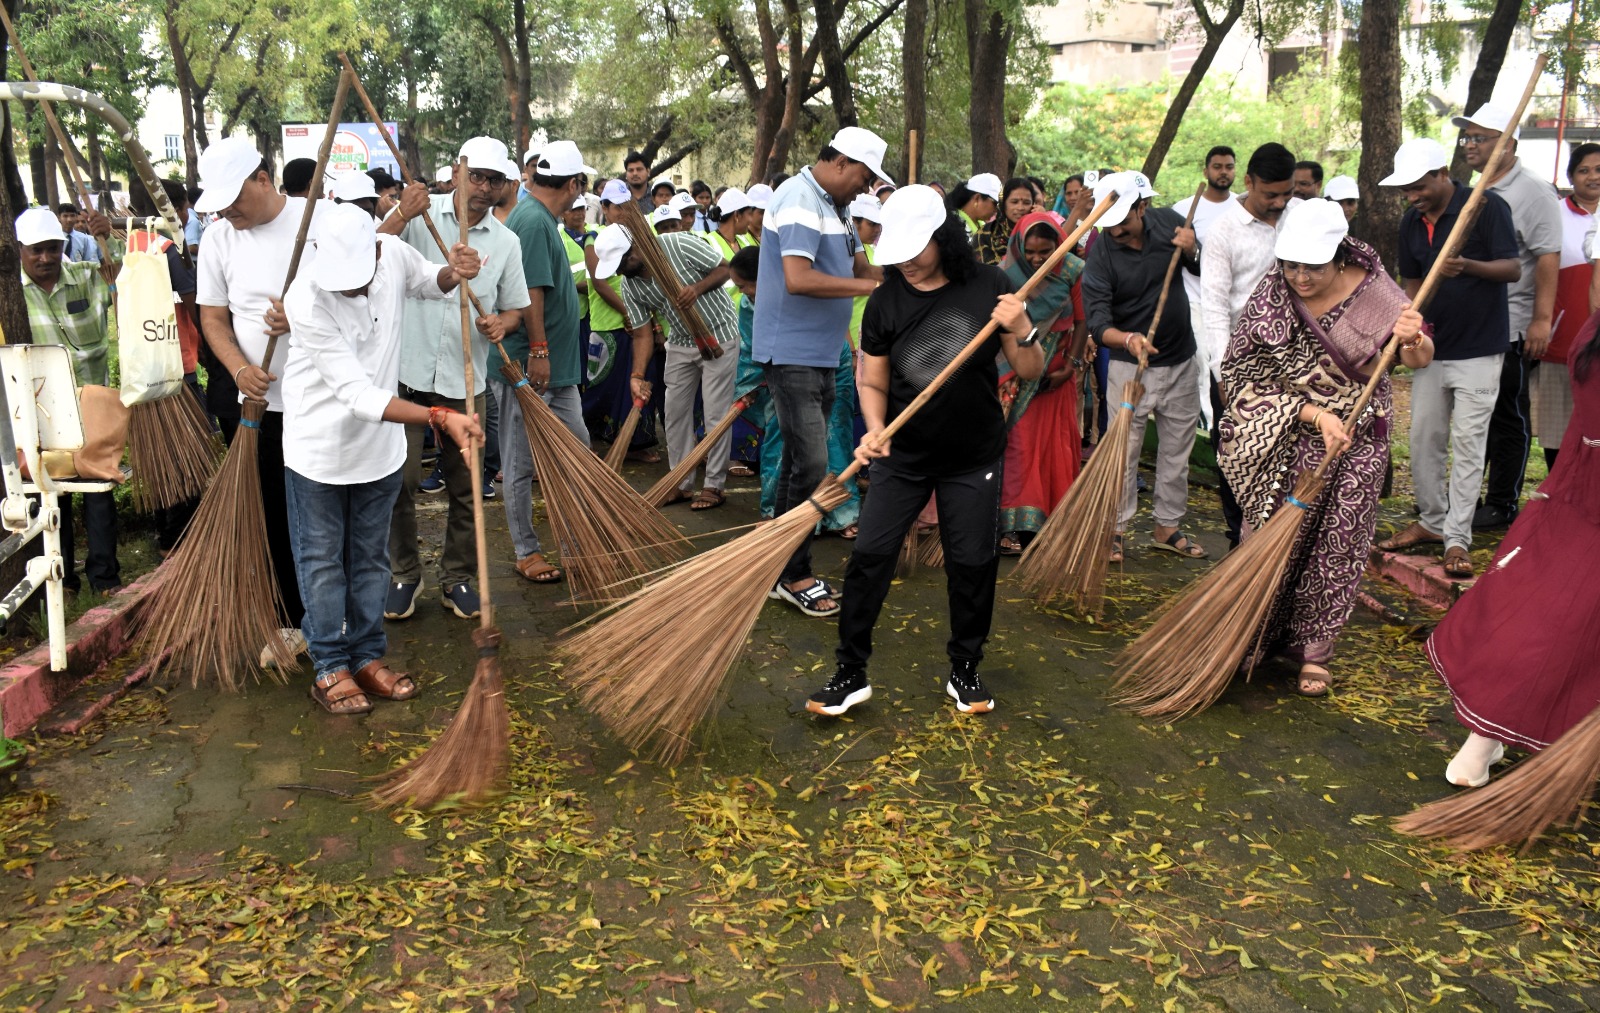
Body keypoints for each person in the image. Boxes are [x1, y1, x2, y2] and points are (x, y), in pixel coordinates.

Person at [805, 185, 1040, 717]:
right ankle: (850, 670)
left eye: (916, 249)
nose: (906, 262)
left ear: (943, 238)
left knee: (974, 563)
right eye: (898, 250)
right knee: (868, 557)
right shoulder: (886, 300)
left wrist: (1023, 329)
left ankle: (965, 668)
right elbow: (873, 382)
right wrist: (873, 429)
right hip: (903, 457)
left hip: (973, 456)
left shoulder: (989, 286)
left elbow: (1030, 372)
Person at [282, 203, 486, 714]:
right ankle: (330, 666)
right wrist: (439, 417)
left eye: (357, 279)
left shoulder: (392, 252)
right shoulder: (305, 296)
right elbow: (357, 395)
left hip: (380, 452)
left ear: (376, 249)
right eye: (341, 282)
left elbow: (427, 282)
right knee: (323, 562)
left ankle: (368, 655)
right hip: (319, 452)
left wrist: (452, 270)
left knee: (371, 559)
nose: (349, 290)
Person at [1219, 199, 1430, 696]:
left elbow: (1418, 359)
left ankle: (1315, 651)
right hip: (1290, 435)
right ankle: (1252, 637)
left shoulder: (1378, 293)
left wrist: (1412, 337)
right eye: (1290, 265)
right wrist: (1313, 413)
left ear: (1338, 256)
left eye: (1311, 267)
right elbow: (1243, 378)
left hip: (1358, 439)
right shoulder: (1272, 295)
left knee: (1338, 542)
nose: (1300, 277)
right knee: (1271, 536)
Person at [1424, 307, 1600, 787]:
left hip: (1574, 492)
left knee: (1535, 605)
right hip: (1587, 507)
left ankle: (1486, 741)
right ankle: (1482, 744)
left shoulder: (1592, 330)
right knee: (1565, 629)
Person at [378, 138, 529, 614]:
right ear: (457, 174)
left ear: (506, 186)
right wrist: (401, 213)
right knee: (396, 481)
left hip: (468, 384)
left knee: (466, 485)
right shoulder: (419, 216)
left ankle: (458, 575)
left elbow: (516, 310)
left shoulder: (506, 243)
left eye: (495, 180)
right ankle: (404, 573)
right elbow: (368, 253)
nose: (484, 188)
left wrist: (500, 324)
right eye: (477, 176)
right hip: (407, 375)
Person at [753, 126, 891, 617]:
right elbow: (799, 278)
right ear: (839, 162)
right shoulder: (797, 198)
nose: (865, 186)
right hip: (790, 353)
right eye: (863, 175)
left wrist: (903, 277)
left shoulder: (837, 207)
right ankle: (794, 574)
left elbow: (861, 268)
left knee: (799, 463)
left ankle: (779, 564)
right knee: (812, 466)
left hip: (823, 352)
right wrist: (869, 291)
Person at [194, 138, 319, 660]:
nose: (227, 211)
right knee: (271, 510)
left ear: (263, 179)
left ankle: (333, 612)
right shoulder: (219, 239)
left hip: (319, 399)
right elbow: (213, 319)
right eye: (219, 203)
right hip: (261, 408)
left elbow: (356, 297)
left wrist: (304, 317)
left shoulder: (317, 225)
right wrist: (239, 368)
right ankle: (290, 619)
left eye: (233, 199)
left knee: (321, 512)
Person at [1375, 138, 1520, 578]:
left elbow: (1512, 268)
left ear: (1441, 174)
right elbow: (1412, 282)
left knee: (1470, 443)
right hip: (1431, 349)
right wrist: (1406, 332)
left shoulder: (1486, 206)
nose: (1411, 196)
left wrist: (1468, 266)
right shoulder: (1411, 222)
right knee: (1423, 439)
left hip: (1480, 347)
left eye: (1418, 187)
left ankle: (1458, 538)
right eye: (1405, 191)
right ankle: (1434, 521)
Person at [1081, 170, 1205, 563]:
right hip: (1128, 367)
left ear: (1143, 206)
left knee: (1177, 450)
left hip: (1181, 357)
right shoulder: (1100, 254)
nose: (1115, 230)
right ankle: (1115, 528)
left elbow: (1200, 270)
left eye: (1123, 220)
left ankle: (1167, 527)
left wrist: (1192, 250)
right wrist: (1130, 340)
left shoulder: (1170, 223)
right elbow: (1098, 322)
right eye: (1109, 223)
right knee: (1123, 450)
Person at [1452, 102, 1564, 531]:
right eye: (1468, 138)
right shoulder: (1477, 188)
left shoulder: (1533, 190)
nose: (1471, 145)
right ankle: (1466, 497)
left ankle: (1502, 501)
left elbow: (1547, 257)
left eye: (1481, 138)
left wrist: (1540, 320)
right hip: (1477, 322)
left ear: (1509, 144)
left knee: (1507, 415)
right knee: (1474, 414)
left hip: (1514, 323)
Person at [499, 139, 599, 584]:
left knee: (578, 450)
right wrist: (538, 352)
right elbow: (532, 292)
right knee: (520, 462)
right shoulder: (534, 222)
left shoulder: (539, 218)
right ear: (574, 184)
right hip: (531, 367)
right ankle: (526, 551)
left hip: (555, 369)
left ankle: (580, 539)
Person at [595, 220, 738, 509]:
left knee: (715, 414)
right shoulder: (630, 285)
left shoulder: (677, 244)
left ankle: (714, 486)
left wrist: (696, 289)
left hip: (719, 334)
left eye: (622, 263)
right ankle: (680, 482)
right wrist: (636, 374)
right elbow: (643, 332)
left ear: (634, 249)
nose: (621, 271)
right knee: (673, 413)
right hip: (681, 340)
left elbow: (726, 268)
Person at [16, 205, 122, 595]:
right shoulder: (11, 293)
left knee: (98, 489)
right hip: (39, 411)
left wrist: (107, 238)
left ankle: (105, 577)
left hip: (92, 405)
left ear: (63, 245)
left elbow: (131, 274)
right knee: (51, 493)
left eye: (52, 248)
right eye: (35, 251)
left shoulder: (84, 279)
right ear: (21, 251)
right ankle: (63, 581)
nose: (45, 258)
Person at [1200, 142, 1299, 549]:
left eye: (1286, 194)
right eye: (1269, 194)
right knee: (1237, 455)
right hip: (1241, 362)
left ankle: (1282, 539)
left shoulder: (1299, 219)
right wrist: (1226, 373)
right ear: (1248, 182)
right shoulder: (1223, 231)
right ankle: (1239, 541)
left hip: (1295, 362)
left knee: (1289, 452)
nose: (1278, 203)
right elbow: (1214, 307)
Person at [996, 211, 1086, 555]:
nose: (1036, 259)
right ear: (1019, 246)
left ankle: (1048, 522)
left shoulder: (1073, 271)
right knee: (1018, 447)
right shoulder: (1006, 275)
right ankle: (1012, 526)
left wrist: (1071, 366)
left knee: (1052, 448)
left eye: (1045, 252)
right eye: (1030, 252)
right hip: (1015, 374)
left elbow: (1081, 322)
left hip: (1057, 374)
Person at [1539, 142, 1600, 470]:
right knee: (1557, 428)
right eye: (1584, 170)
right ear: (1571, 177)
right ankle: (1557, 494)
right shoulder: (1556, 215)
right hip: (1565, 342)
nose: (1593, 177)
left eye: (1599, 169)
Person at [1171, 145, 1239, 424]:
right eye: (1218, 167)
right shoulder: (1185, 209)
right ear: (1206, 171)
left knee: (1231, 361)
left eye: (1229, 167)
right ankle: (1210, 423)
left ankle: (1234, 420)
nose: (1223, 172)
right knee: (1202, 361)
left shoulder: (1243, 205)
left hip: (1233, 300)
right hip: (1195, 298)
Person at [972, 177, 1034, 265]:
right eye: (1014, 202)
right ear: (1003, 204)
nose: (1020, 208)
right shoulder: (985, 234)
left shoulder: (1039, 232)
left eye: (1027, 203)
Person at [947, 173, 1001, 237]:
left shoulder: (984, 228)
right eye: (995, 203)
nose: (996, 210)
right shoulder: (952, 226)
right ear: (977, 198)